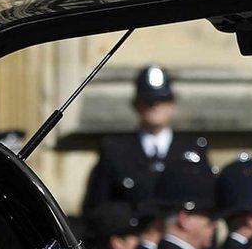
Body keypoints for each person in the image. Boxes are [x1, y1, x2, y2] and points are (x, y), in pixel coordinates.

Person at [81, 65, 207, 225]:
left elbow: (206, 210)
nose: (155, 105)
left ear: (173, 104)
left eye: (162, 99)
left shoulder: (193, 149)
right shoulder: (115, 150)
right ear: (135, 104)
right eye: (148, 100)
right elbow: (96, 208)